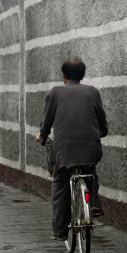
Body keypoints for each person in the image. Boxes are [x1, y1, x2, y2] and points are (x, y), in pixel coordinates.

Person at [36, 59, 108, 241]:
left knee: (60, 185)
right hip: (90, 149)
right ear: (83, 75)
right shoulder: (92, 92)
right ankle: (93, 204)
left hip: (64, 151)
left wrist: (42, 137)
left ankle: (60, 232)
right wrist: (101, 132)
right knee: (89, 173)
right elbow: (102, 123)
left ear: (64, 76)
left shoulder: (55, 93)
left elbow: (47, 122)